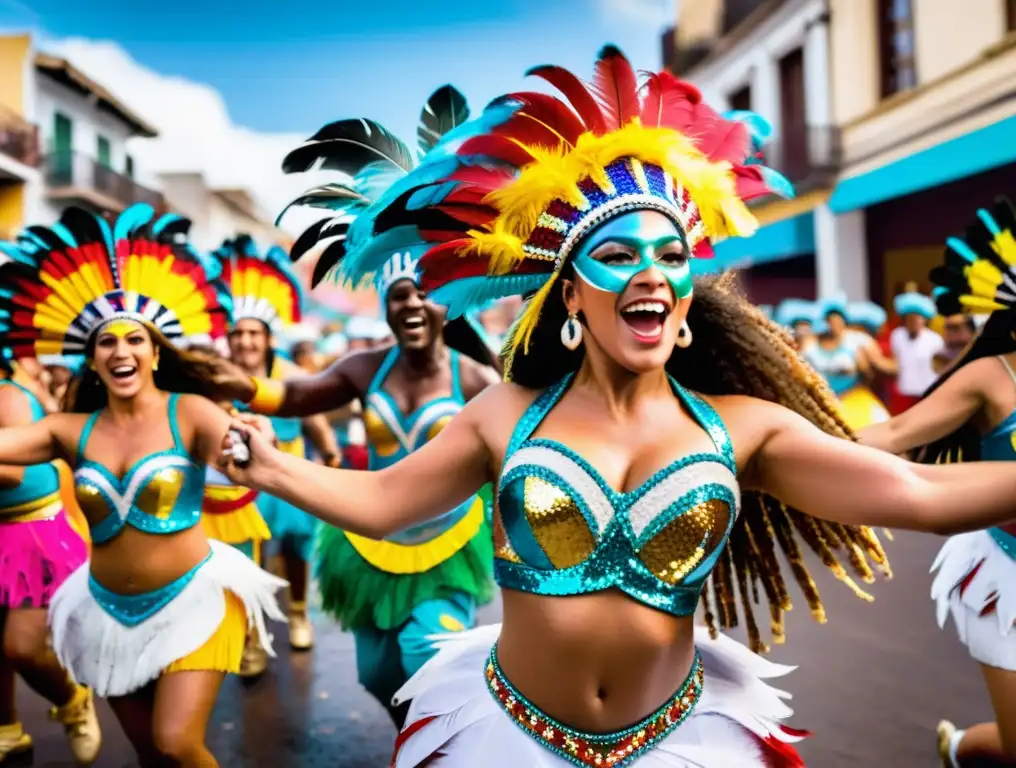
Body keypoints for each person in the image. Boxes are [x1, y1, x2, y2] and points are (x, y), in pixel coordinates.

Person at [212, 48, 1016, 767]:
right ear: (572, 294)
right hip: (510, 738)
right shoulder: (508, 414)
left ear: (685, 297)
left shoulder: (743, 427)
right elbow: (387, 502)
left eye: (670, 257)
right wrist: (276, 466)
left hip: (679, 741)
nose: (652, 274)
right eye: (618, 254)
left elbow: (921, 495)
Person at [216, 85, 502, 726]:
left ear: (444, 304)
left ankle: (447, 747)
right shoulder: (363, 368)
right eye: (397, 295)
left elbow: (521, 439)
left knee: (426, 651)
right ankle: (418, 736)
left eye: (422, 294)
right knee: (378, 673)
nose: (409, 306)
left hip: (449, 542)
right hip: (367, 538)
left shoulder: (478, 379)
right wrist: (227, 377)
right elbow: (291, 395)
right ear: (387, 306)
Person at [0, 204, 285, 767]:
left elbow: (243, 447)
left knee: (178, 744)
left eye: (134, 340)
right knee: (152, 755)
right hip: (105, 613)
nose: (121, 351)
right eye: (106, 343)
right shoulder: (67, 430)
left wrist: (249, 439)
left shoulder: (191, 412)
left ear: (154, 352)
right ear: (92, 361)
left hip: (192, 601)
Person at [858, 197, 1016, 768]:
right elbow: (897, 431)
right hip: (1005, 573)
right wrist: (796, 454)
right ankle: (958, 747)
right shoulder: (989, 375)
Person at [210, 235, 340, 662]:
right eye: (238, 333)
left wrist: (331, 454)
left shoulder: (289, 374)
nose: (246, 342)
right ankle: (250, 638)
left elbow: (316, 422)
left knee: (295, 549)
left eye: (253, 334)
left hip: (287, 476)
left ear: (268, 338)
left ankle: (299, 613)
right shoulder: (215, 379)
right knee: (245, 560)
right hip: (240, 483)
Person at [0, 347, 99, 766]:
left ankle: (73, 700)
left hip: (30, 533)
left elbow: (12, 472)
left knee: (20, 647)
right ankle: (5, 730)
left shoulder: (5, 396)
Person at [802, 295, 891, 430]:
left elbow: (872, 373)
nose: (835, 325)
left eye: (838, 321)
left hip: (853, 400)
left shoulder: (856, 341)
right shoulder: (811, 343)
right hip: (822, 402)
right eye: (831, 321)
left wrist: (862, 367)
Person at [889, 291, 943, 412]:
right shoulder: (897, 335)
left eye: (917, 318)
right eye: (909, 318)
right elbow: (894, 362)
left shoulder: (935, 339)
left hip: (927, 393)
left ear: (924, 319)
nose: (913, 321)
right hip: (904, 394)